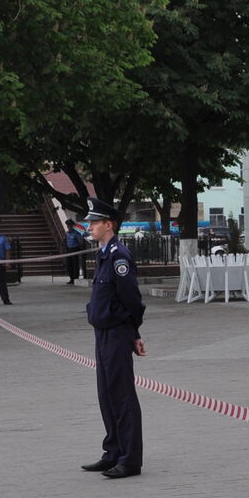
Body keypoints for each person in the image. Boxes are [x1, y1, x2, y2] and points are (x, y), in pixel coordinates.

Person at [80, 200, 144, 479]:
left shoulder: (119, 256)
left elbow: (132, 299)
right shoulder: (103, 254)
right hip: (103, 332)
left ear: (109, 224)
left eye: (94, 222)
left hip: (117, 333)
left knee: (121, 395)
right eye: (89, 222)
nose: (89, 226)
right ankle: (114, 452)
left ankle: (130, 459)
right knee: (106, 394)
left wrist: (133, 332)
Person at [63, 219, 87, 285]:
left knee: (75, 265)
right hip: (69, 250)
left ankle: (75, 279)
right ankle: (71, 279)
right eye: (68, 226)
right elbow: (65, 241)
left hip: (75, 250)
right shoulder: (67, 233)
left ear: (72, 226)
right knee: (69, 265)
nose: (69, 227)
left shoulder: (76, 233)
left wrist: (80, 249)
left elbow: (81, 242)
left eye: (70, 225)